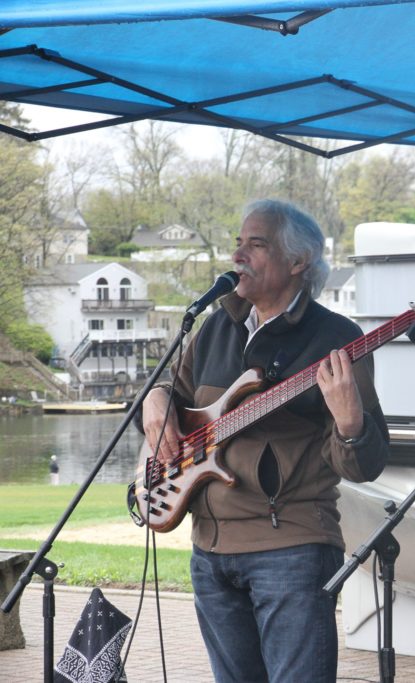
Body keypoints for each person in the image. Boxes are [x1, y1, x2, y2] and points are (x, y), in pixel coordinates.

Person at [140, 199, 390, 683]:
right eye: (239, 243)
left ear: (298, 263)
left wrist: (350, 423)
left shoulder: (336, 339)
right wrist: (155, 398)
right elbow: (181, 404)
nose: (239, 255)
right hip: (209, 552)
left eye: (256, 244)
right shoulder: (214, 326)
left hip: (290, 548)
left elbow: (365, 464)